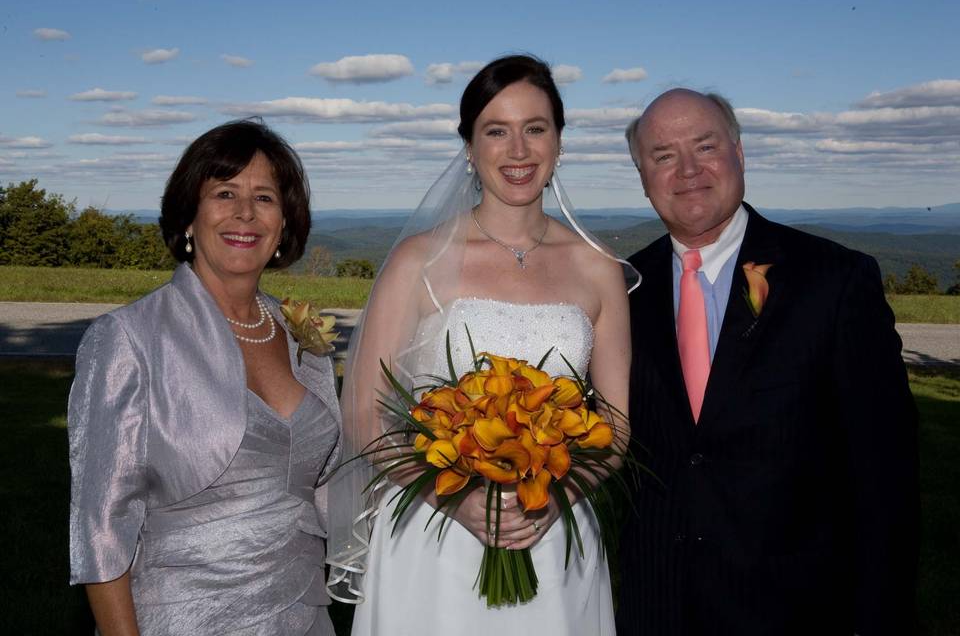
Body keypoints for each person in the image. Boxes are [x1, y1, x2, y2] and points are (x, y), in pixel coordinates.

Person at [326, 55, 633, 636]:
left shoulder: (598, 271)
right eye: (497, 131)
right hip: (433, 533)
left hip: (556, 533)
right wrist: (454, 502)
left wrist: (557, 492)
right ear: (469, 146)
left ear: (559, 142)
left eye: (535, 128)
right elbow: (366, 414)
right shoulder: (419, 259)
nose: (518, 150)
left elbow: (614, 427)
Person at [616, 88, 919, 635]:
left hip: (794, 610)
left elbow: (886, 474)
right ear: (642, 174)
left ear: (739, 152)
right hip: (653, 607)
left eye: (705, 146)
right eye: (663, 155)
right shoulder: (619, 290)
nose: (687, 169)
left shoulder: (833, 280)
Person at [68, 119, 342, 635]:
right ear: (189, 216)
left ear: (284, 224)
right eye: (224, 192)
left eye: (264, 197)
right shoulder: (128, 338)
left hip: (305, 613)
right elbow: (100, 524)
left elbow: (333, 484)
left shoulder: (302, 336)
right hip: (186, 618)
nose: (244, 212)